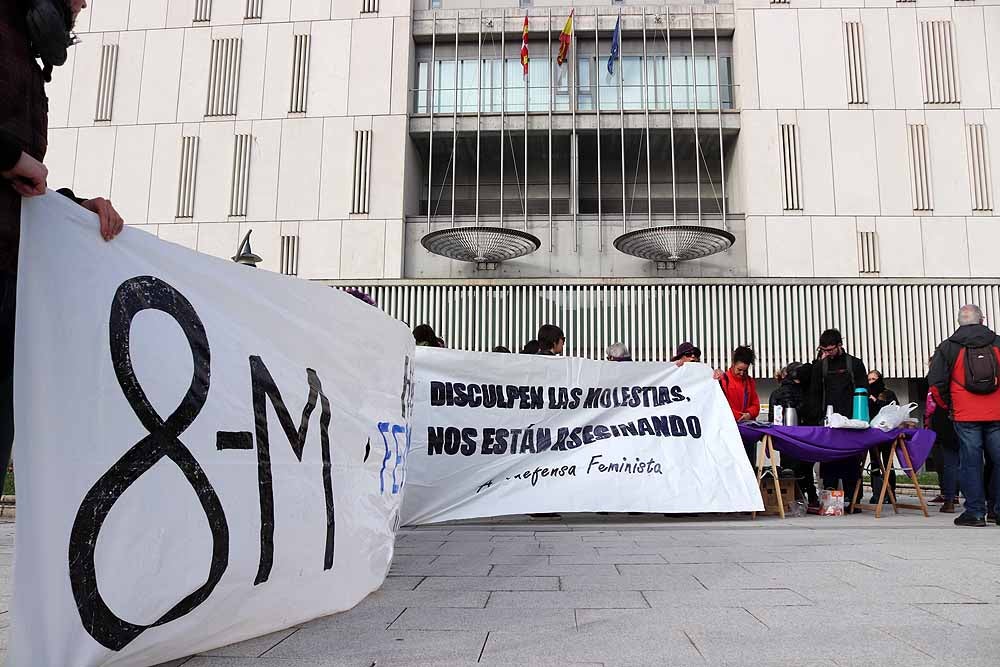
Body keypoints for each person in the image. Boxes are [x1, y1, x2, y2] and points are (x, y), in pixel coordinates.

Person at [1, 0, 126, 494]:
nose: (83, 5)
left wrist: (75, 210)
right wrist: (11, 156)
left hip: (13, 280)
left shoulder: (26, 55)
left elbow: (21, 188)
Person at [927, 304, 1000, 527]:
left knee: (970, 462)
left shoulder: (948, 347)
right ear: (982, 320)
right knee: (998, 460)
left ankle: (975, 512)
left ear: (959, 322)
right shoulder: (997, 343)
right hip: (997, 412)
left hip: (965, 413)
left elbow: (936, 384)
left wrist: (950, 406)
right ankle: (997, 510)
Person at [806, 329, 868, 508]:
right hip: (829, 423)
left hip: (852, 422)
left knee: (851, 459)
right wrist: (816, 419)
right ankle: (830, 495)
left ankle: (853, 497)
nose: (827, 354)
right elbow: (815, 395)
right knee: (829, 459)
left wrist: (862, 419)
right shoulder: (820, 367)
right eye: (824, 350)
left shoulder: (854, 364)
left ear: (840, 345)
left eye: (830, 350)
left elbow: (863, 390)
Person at [768, 362, 819, 506]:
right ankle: (812, 497)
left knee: (789, 469)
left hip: (785, 436)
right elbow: (810, 412)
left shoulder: (776, 393)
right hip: (805, 435)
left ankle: (791, 500)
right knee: (807, 468)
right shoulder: (806, 392)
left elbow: (772, 417)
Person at [720, 346, 760, 464]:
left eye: (745, 371)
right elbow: (721, 406)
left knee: (748, 464)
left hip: (746, 431)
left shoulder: (749, 381)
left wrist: (749, 414)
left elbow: (755, 405)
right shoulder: (723, 380)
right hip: (729, 431)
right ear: (733, 363)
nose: (742, 373)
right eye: (739, 370)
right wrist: (740, 416)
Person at [925, 380, 959, 513]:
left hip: (945, 418)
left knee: (949, 462)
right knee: (972, 460)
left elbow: (935, 396)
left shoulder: (939, 377)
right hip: (971, 414)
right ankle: (985, 505)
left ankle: (949, 499)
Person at [867, 370, 899, 503]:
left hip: (886, 433)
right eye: (869, 379)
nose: (871, 382)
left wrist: (877, 402)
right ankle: (877, 493)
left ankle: (891, 493)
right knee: (874, 463)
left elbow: (893, 410)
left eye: (874, 379)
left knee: (888, 463)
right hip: (872, 434)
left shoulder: (888, 394)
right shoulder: (866, 395)